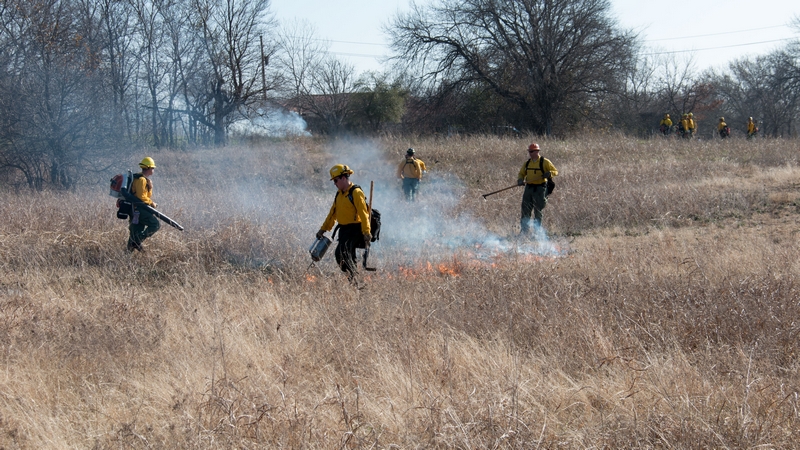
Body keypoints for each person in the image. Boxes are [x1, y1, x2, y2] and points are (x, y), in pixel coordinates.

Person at [316, 164, 372, 284]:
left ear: (343, 178)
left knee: (342, 253)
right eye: (334, 181)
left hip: (355, 229)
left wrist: (367, 232)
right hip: (343, 230)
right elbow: (332, 214)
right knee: (345, 255)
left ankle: (354, 279)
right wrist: (323, 229)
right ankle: (354, 279)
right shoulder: (339, 194)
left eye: (336, 180)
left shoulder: (356, 192)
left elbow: (364, 214)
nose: (335, 183)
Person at [516, 143, 558, 235]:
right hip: (529, 188)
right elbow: (521, 173)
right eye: (529, 151)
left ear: (537, 151)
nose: (530, 153)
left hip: (540, 188)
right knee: (525, 210)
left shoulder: (545, 162)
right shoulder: (527, 163)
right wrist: (520, 180)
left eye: (531, 151)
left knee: (538, 210)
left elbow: (555, 171)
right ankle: (524, 232)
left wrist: (549, 173)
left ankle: (537, 232)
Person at [127, 157, 160, 252]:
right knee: (155, 224)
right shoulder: (142, 180)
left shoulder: (143, 179)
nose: (153, 170)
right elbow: (141, 196)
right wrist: (152, 203)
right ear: (148, 168)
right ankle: (137, 241)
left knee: (134, 232)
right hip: (139, 209)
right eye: (152, 168)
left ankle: (127, 255)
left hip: (136, 209)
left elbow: (144, 195)